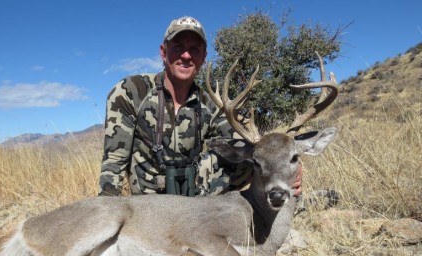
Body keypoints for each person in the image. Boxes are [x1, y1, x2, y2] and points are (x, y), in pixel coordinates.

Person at [98, 16, 302, 197]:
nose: (186, 56)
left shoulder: (212, 105)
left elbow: (245, 146)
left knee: (249, 161)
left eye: (194, 49)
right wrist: (107, 212)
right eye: (178, 47)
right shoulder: (131, 91)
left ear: (203, 57)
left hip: (196, 199)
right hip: (147, 204)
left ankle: (256, 207)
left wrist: (286, 168)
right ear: (163, 51)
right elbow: (114, 162)